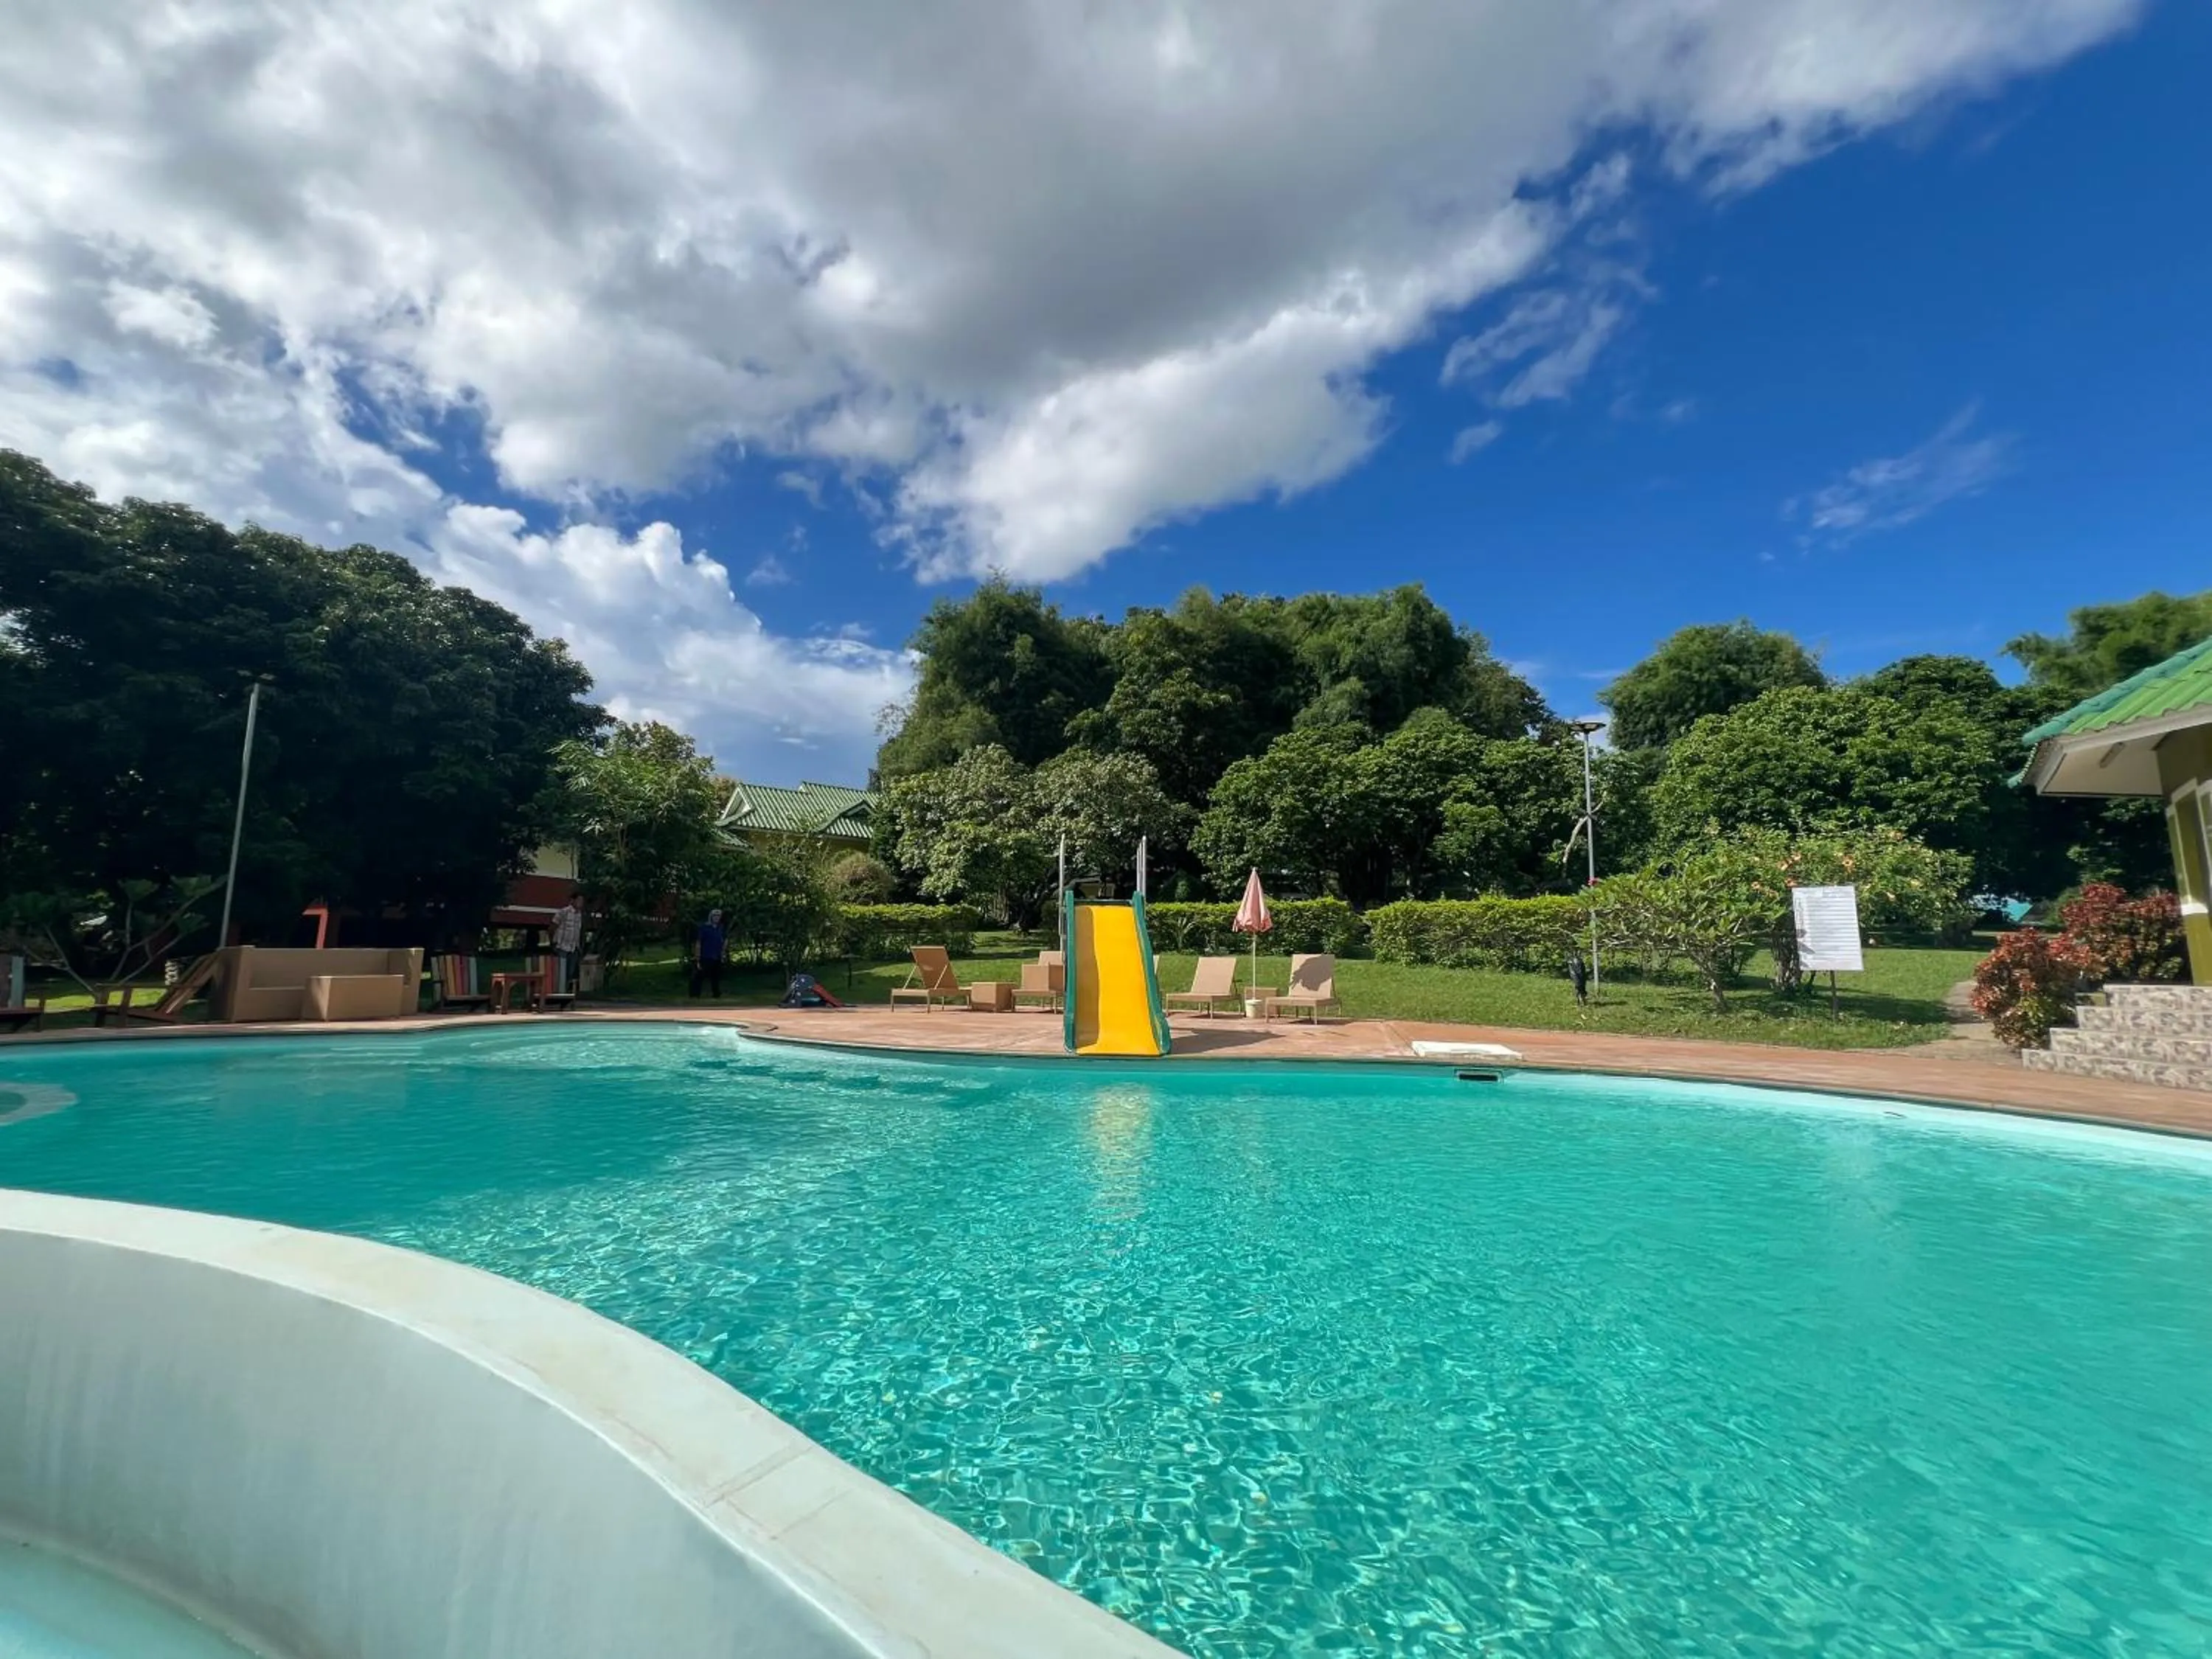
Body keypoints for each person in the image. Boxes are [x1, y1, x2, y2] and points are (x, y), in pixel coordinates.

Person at [690, 908, 727, 998]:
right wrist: (697, 955)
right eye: (715, 915)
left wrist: (723, 953)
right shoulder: (704, 928)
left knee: (716, 976)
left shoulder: (721, 928)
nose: (717, 917)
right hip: (706, 955)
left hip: (717, 956)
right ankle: (695, 995)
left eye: (718, 915)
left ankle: (716, 994)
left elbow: (724, 940)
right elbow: (699, 942)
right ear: (711, 917)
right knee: (699, 976)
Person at [552, 894, 583, 983]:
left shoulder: (579, 914)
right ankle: (559, 988)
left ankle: (566, 987)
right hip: (562, 946)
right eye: (579, 900)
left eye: (582, 901)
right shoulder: (563, 912)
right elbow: (553, 927)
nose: (581, 903)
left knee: (570, 972)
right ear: (572, 901)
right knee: (561, 971)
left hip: (573, 947)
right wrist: (553, 942)